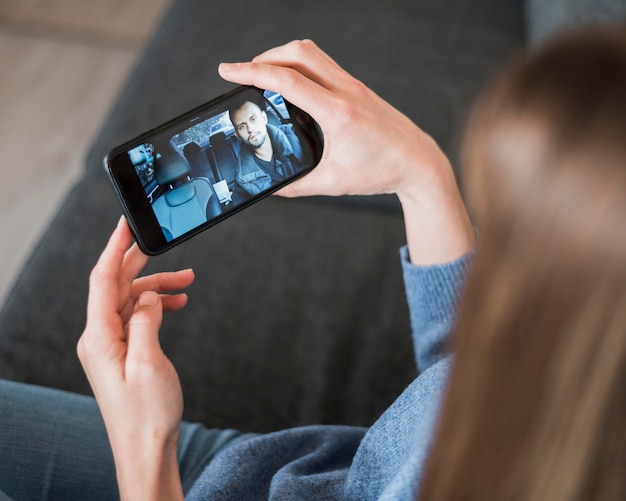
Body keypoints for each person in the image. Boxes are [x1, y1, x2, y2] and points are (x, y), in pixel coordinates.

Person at [0, 29, 624, 501]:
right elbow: (467, 384)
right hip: (266, 472)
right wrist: (420, 173)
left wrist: (144, 447)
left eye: (508, 229)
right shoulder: (575, 385)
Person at [228, 94, 304, 196]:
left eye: (253, 119)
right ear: (237, 135)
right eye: (242, 126)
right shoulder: (243, 178)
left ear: (264, 118)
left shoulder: (297, 137)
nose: (250, 129)